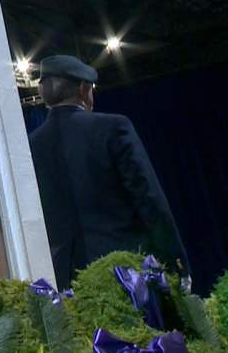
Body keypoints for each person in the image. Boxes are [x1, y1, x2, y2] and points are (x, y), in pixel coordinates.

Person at [28, 54, 190, 289]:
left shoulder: (30, 146)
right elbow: (149, 199)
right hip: (126, 274)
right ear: (84, 90)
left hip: (66, 282)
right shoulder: (113, 127)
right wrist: (176, 264)